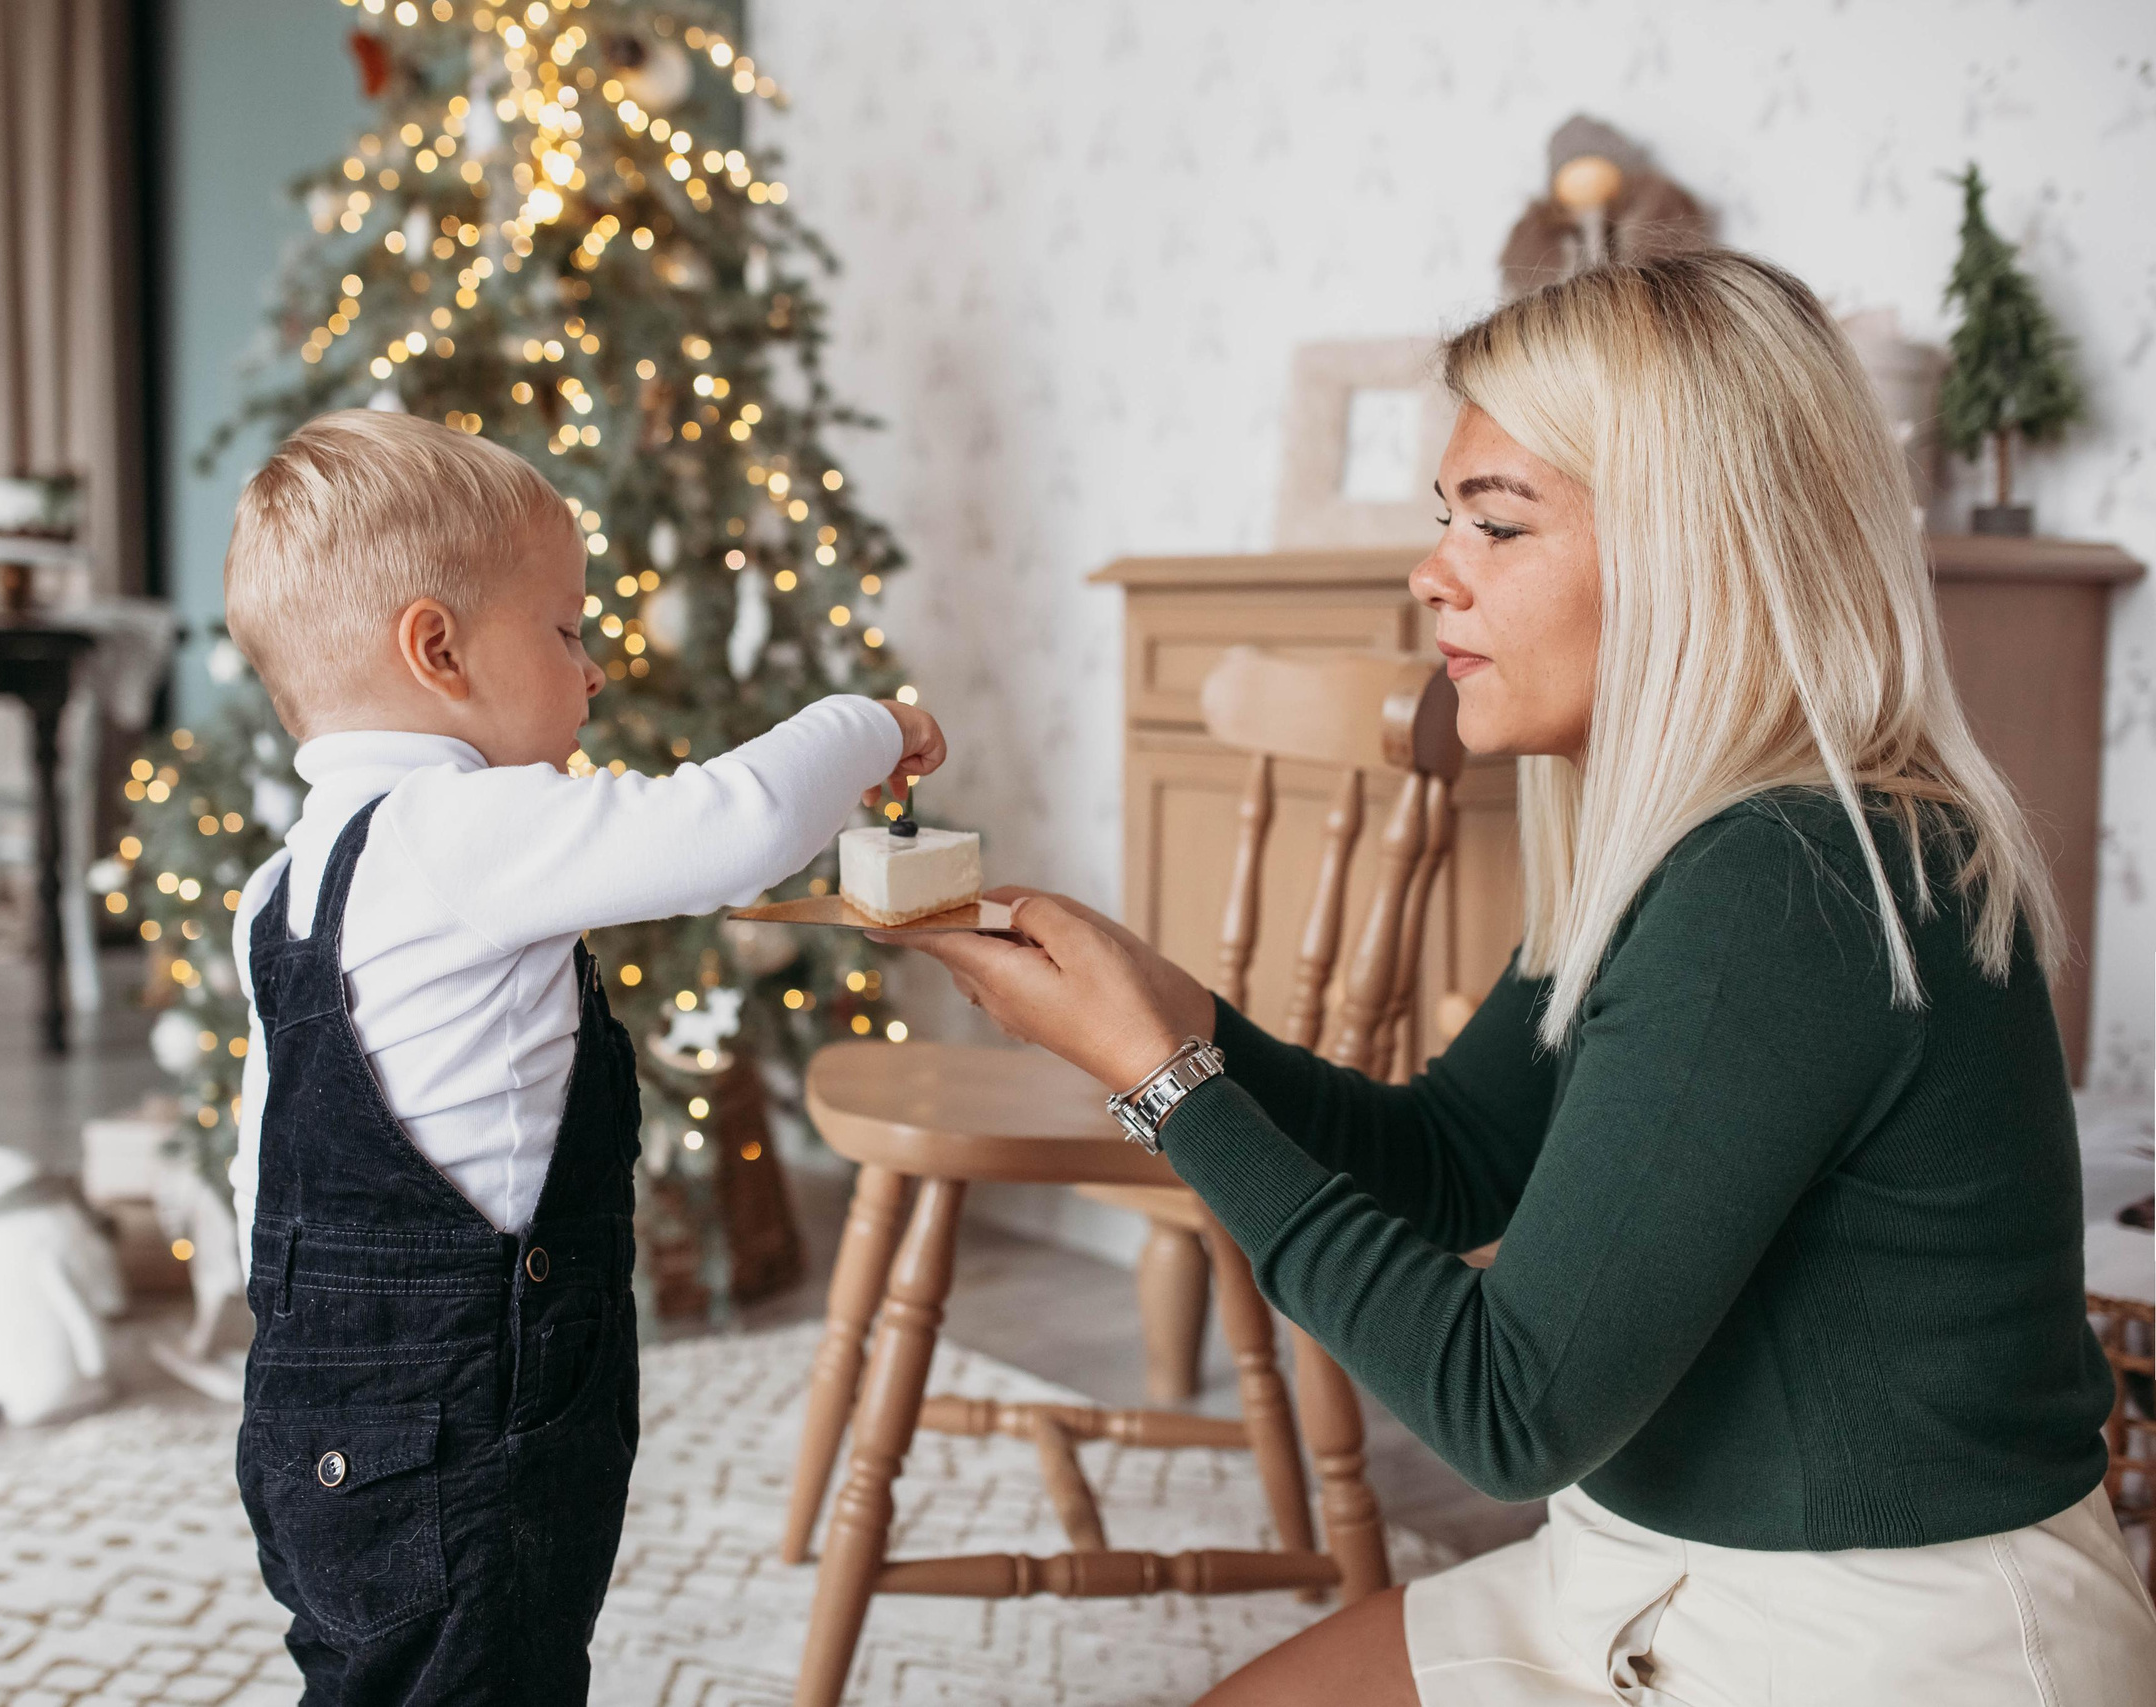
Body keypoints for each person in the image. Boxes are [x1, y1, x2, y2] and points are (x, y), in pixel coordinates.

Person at [892, 251, 2156, 1705]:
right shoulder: (1690, 839)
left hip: (1883, 1637)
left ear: (1702, 549)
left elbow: (1508, 1409)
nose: (1433, 569)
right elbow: (1454, 1160)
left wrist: (1164, 1088)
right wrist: (1184, 1024)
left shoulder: (1793, 879)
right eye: (1448, 520)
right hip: (1654, 1565)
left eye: (1497, 525)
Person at [220, 409, 944, 1705]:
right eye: (565, 630)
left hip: (311, 1412)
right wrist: (872, 723)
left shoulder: (287, 884)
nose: (595, 669)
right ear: (436, 650)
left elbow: (265, 1150)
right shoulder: (463, 829)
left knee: (370, 1678)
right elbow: (737, 826)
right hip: (465, 1417)